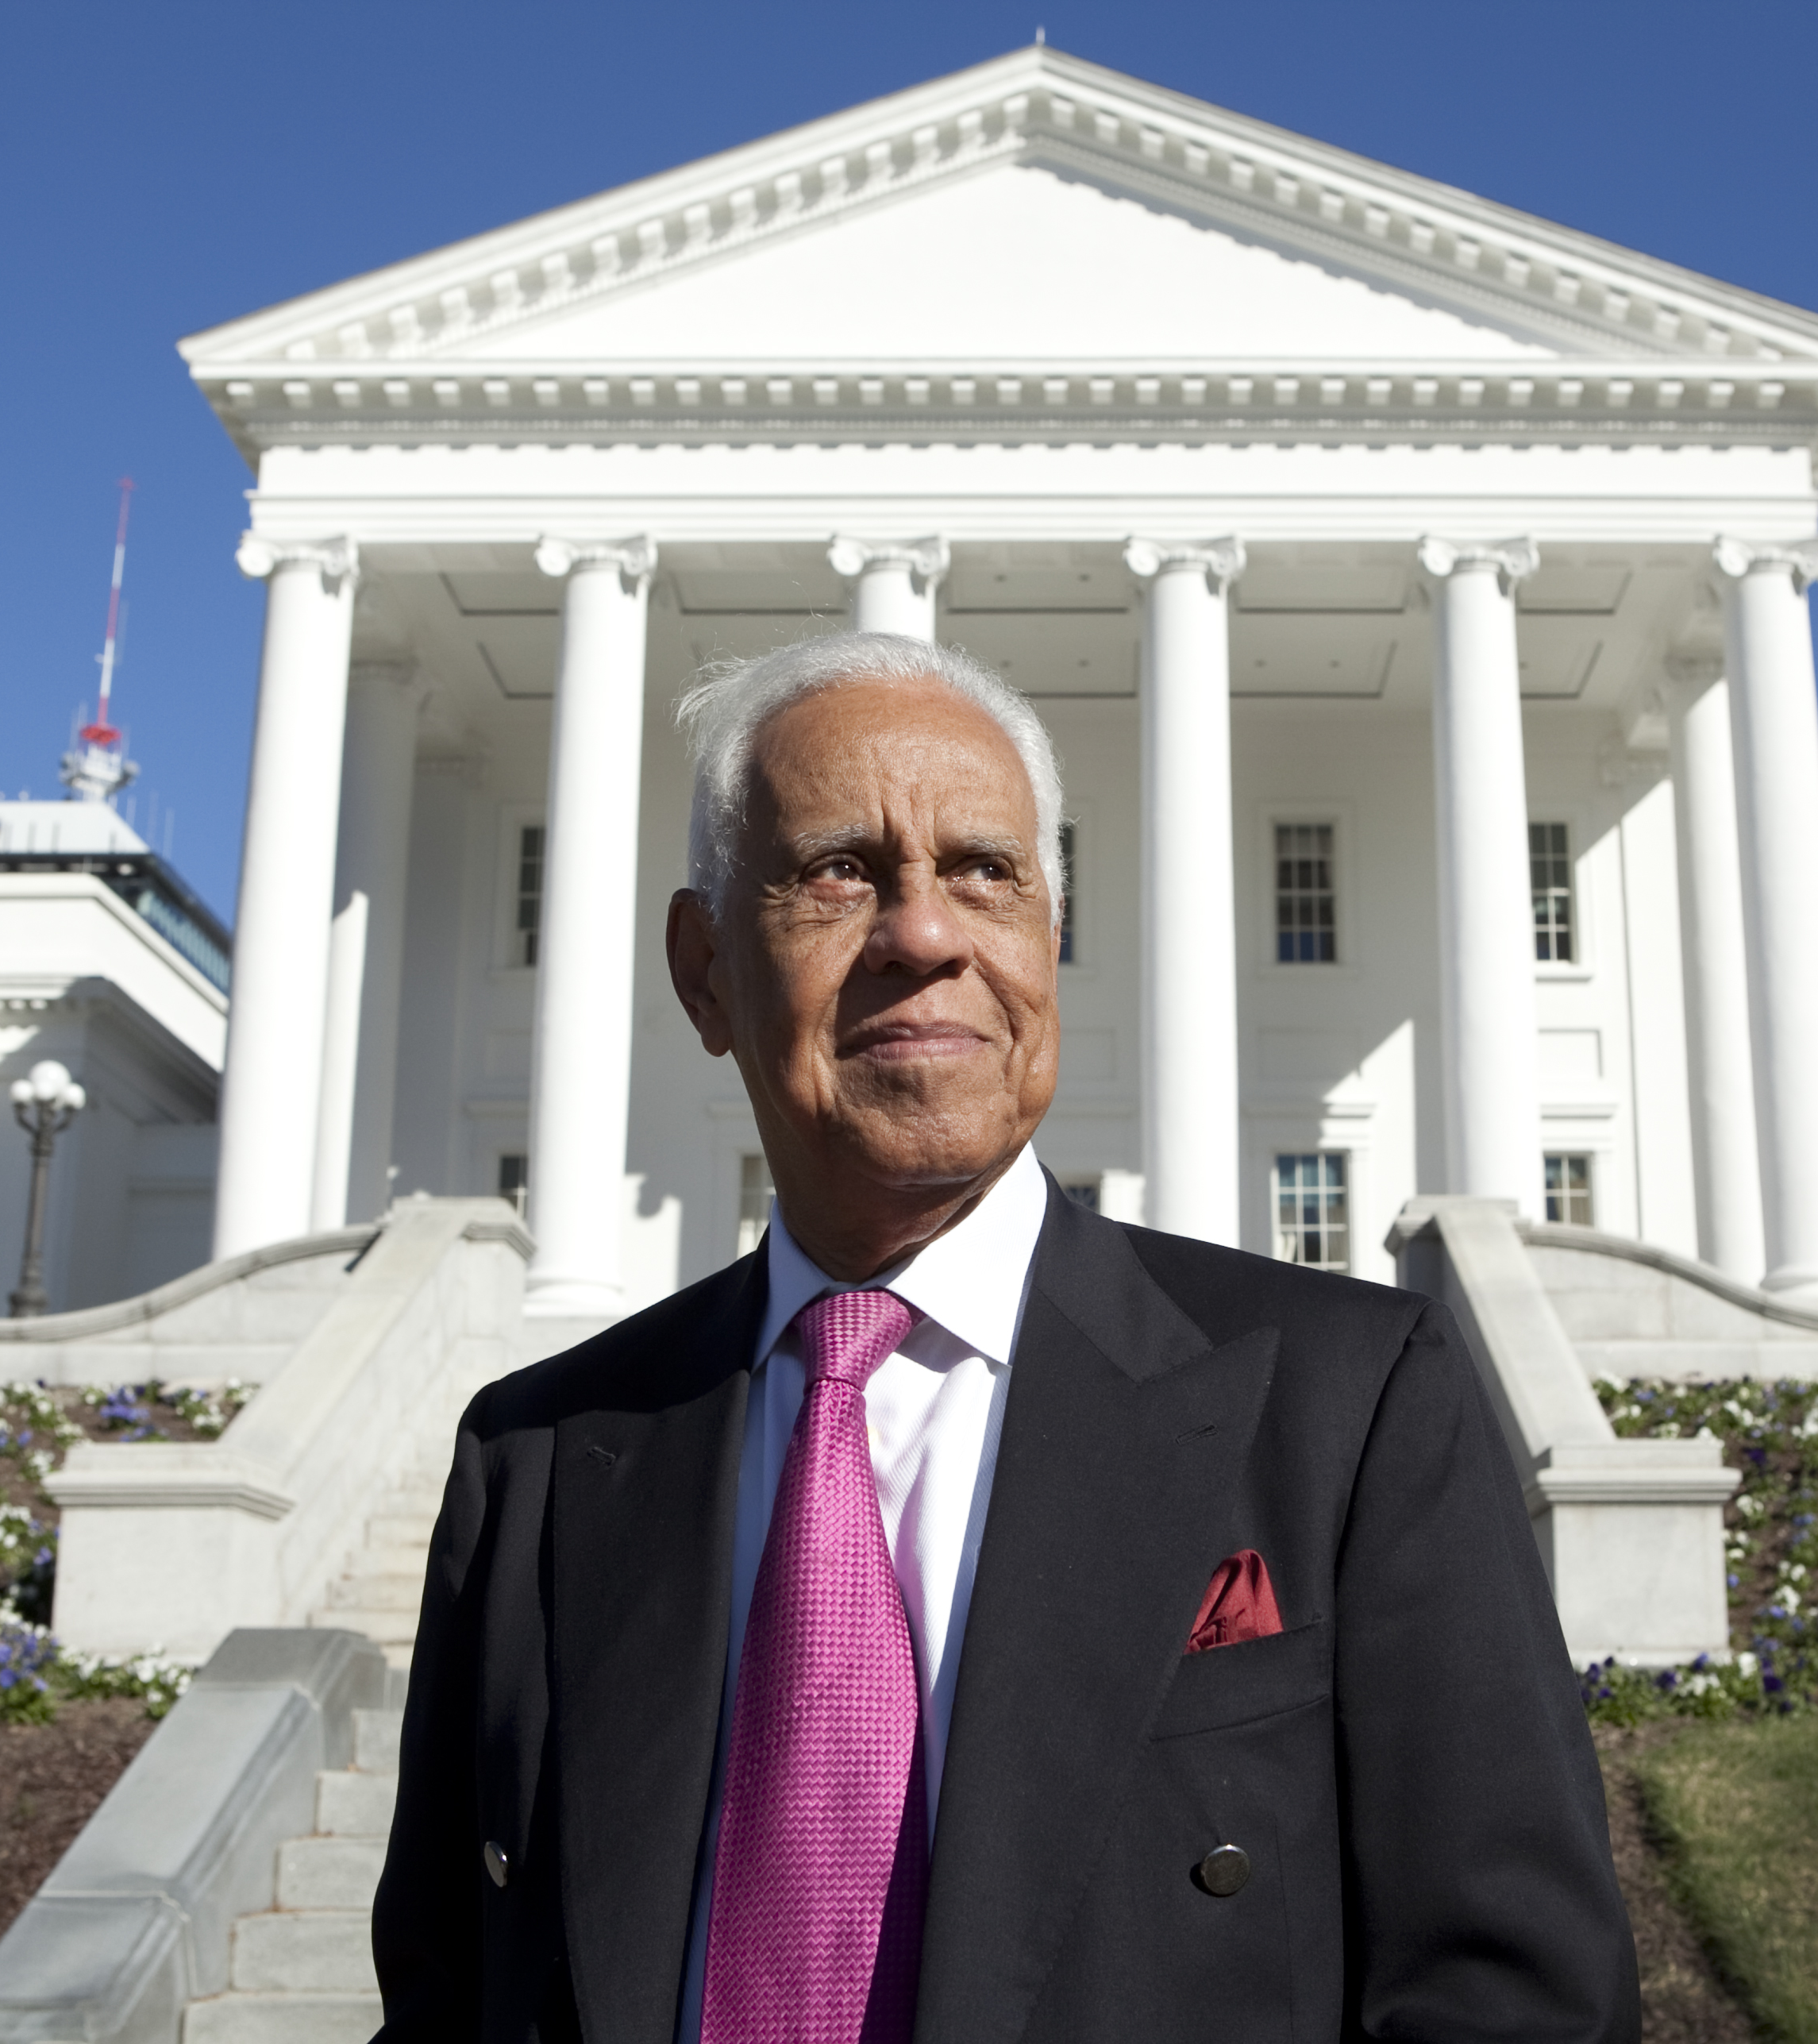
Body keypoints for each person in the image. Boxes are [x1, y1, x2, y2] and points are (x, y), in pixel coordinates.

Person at [372, 631, 1638, 2043]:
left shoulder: (1347, 1404)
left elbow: (1516, 1998)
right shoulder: (541, 1457)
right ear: (705, 969)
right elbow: (445, 1997)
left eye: (986, 870)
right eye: (839, 870)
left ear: (1046, 937)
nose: (924, 933)